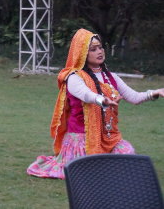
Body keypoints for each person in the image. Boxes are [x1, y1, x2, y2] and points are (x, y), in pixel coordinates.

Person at [27, 28, 164, 179]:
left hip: (107, 138)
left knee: (127, 154)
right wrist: (102, 100)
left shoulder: (111, 77)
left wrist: (154, 93)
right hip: (81, 140)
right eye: (93, 49)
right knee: (92, 172)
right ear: (83, 53)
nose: (99, 51)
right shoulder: (73, 77)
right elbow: (86, 95)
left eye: (100, 47)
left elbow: (135, 97)